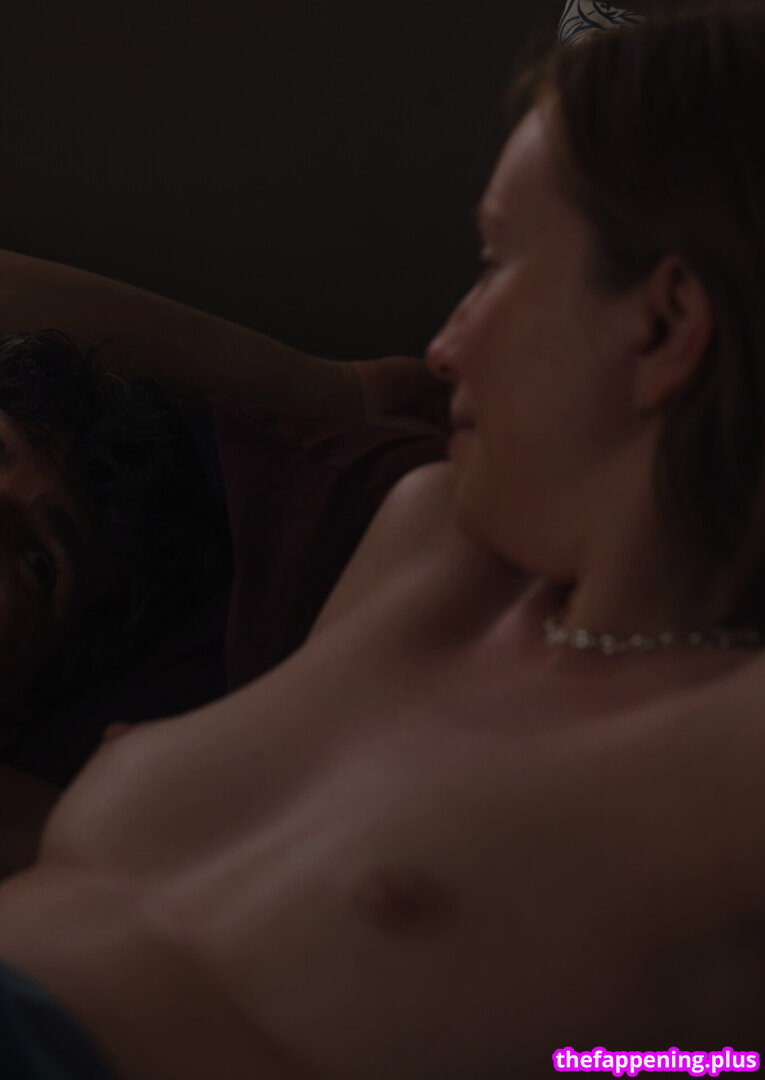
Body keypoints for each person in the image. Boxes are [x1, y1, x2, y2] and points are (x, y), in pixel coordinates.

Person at [1, 2, 765, 1075]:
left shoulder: (731, 744)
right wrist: (321, 388)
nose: (445, 346)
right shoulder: (429, 536)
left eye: (497, 264)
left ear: (665, 323)